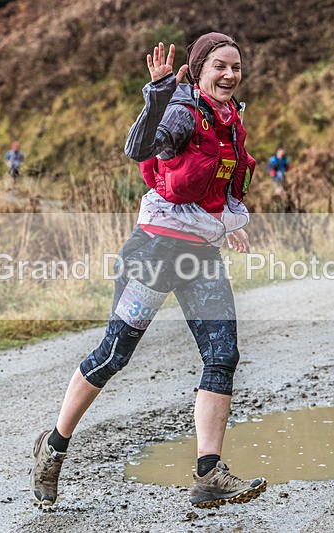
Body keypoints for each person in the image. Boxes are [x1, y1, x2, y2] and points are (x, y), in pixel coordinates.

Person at [30, 34, 266, 510]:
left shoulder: (230, 120)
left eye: (236, 67)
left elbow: (219, 186)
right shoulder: (182, 111)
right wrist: (157, 92)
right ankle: (52, 446)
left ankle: (209, 473)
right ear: (199, 70)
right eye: (219, 66)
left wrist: (230, 224)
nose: (229, 75)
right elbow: (139, 150)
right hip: (155, 252)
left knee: (223, 356)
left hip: (200, 257)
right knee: (114, 354)